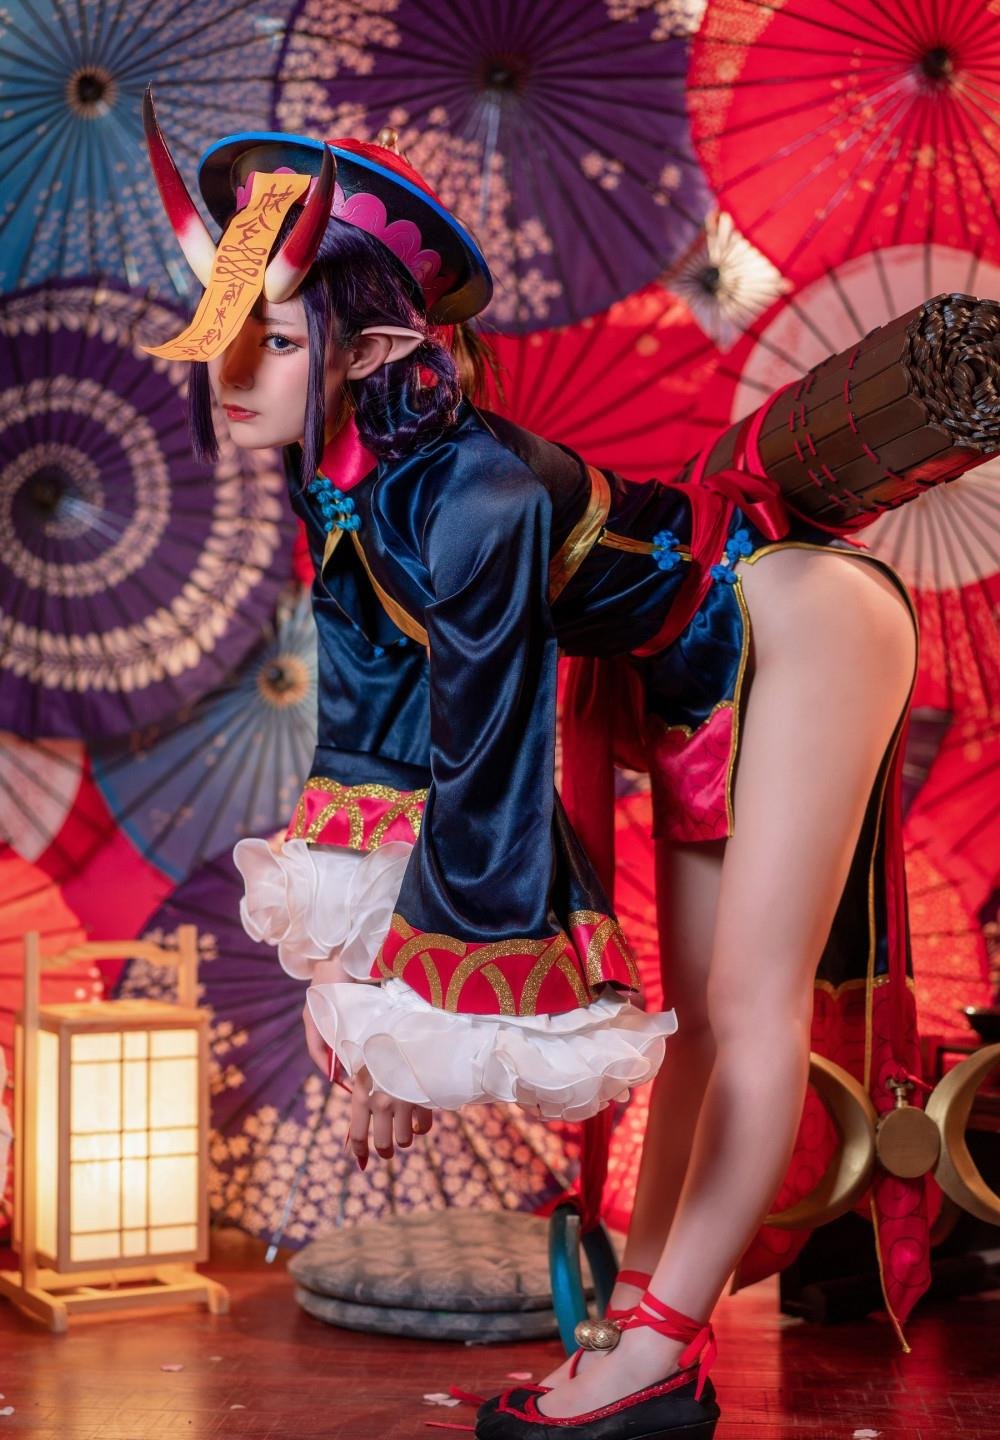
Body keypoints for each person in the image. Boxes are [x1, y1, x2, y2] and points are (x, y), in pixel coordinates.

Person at [145, 98, 920, 1440]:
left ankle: (653, 1358)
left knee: (750, 1010)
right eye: (221, 332)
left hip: (796, 615)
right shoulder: (343, 492)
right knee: (696, 1031)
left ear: (374, 348)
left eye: (273, 339)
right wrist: (356, 993)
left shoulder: (475, 499)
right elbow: (373, 754)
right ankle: (636, 1343)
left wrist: (407, 1031)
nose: (231, 373)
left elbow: (487, 763)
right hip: (679, 670)